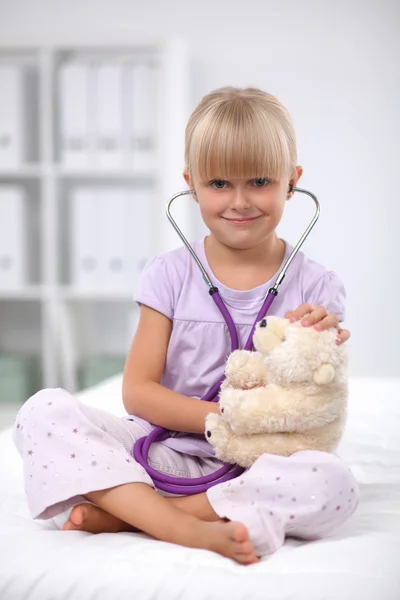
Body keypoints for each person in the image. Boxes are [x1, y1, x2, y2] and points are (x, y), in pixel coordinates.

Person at [13, 87, 359, 565]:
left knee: (331, 481)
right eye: (219, 184)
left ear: (292, 182)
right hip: (162, 453)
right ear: (191, 184)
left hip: (258, 465)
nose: (239, 201)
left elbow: (313, 412)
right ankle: (181, 525)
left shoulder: (318, 287)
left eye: (259, 180)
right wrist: (226, 421)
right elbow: (137, 392)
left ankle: (131, 514)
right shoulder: (170, 274)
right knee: (42, 411)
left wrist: (324, 350)